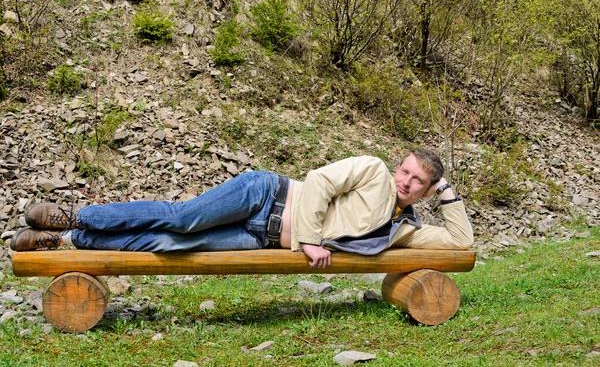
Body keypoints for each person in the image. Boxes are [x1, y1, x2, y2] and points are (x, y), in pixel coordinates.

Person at [11, 149, 473, 268]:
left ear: (427, 191)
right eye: (405, 172)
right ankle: (76, 215)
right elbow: (317, 182)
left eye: (419, 182)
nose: (406, 182)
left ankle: (68, 240)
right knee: (181, 218)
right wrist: (311, 240)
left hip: (263, 236)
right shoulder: (373, 171)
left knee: (169, 243)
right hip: (264, 195)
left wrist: (447, 189)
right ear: (397, 167)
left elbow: (460, 241)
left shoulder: (404, 230)